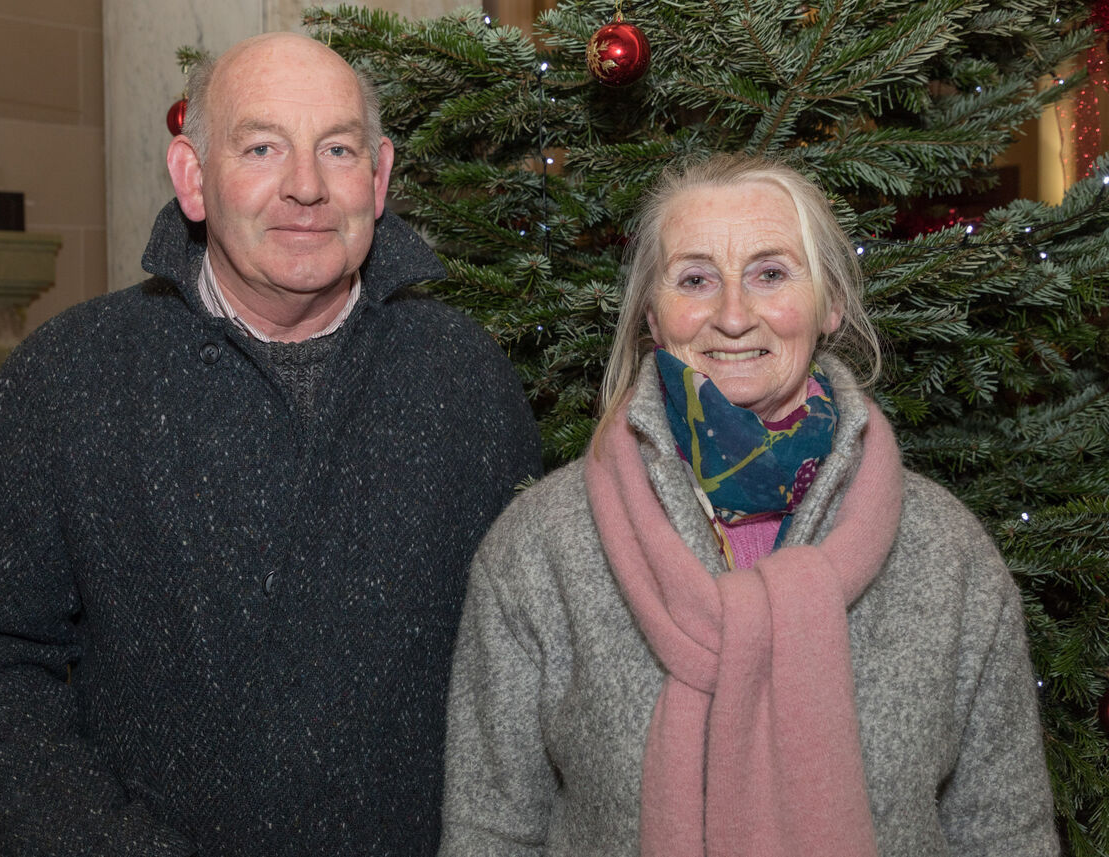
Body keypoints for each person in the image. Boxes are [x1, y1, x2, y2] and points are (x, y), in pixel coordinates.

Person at [0, 32, 540, 857]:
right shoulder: (68, 378)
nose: (307, 187)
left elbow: (528, 668)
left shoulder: (467, 379)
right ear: (193, 177)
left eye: (338, 149)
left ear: (379, 178)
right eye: (261, 147)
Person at [439, 153, 1058, 857]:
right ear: (653, 316)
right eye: (696, 279)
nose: (733, 315)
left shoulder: (947, 552)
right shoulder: (540, 548)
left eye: (770, 273)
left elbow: (1006, 833)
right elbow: (491, 833)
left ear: (829, 306)